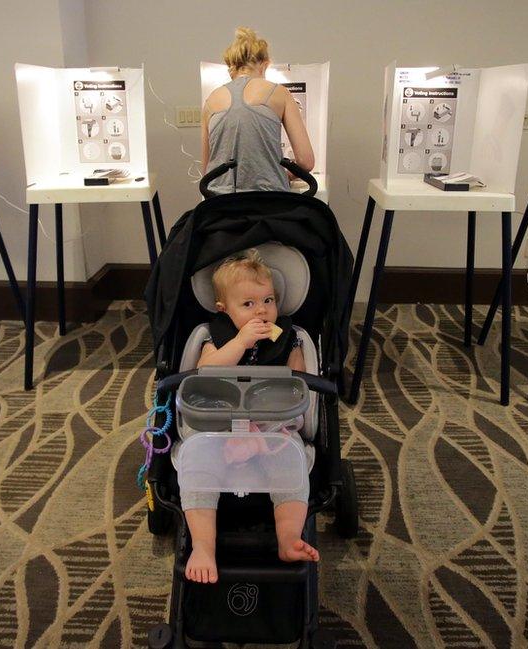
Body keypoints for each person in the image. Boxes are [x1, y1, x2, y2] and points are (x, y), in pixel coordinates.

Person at [183, 249, 319, 584]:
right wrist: (241, 342)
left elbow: (299, 382)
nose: (262, 311)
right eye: (248, 305)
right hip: (221, 423)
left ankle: (288, 537)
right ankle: (202, 546)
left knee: (291, 464)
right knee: (198, 468)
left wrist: (293, 358)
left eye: (268, 300)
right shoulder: (213, 336)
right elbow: (206, 371)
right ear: (223, 308)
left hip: (272, 424)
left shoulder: (289, 336)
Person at [201, 27, 314, 194]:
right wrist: (282, 175)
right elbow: (306, 162)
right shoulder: (280, 93)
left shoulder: (211, 100)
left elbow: (206, 172)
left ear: (231, 68)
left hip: (220, 207)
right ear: (265, 65)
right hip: (269, 202)